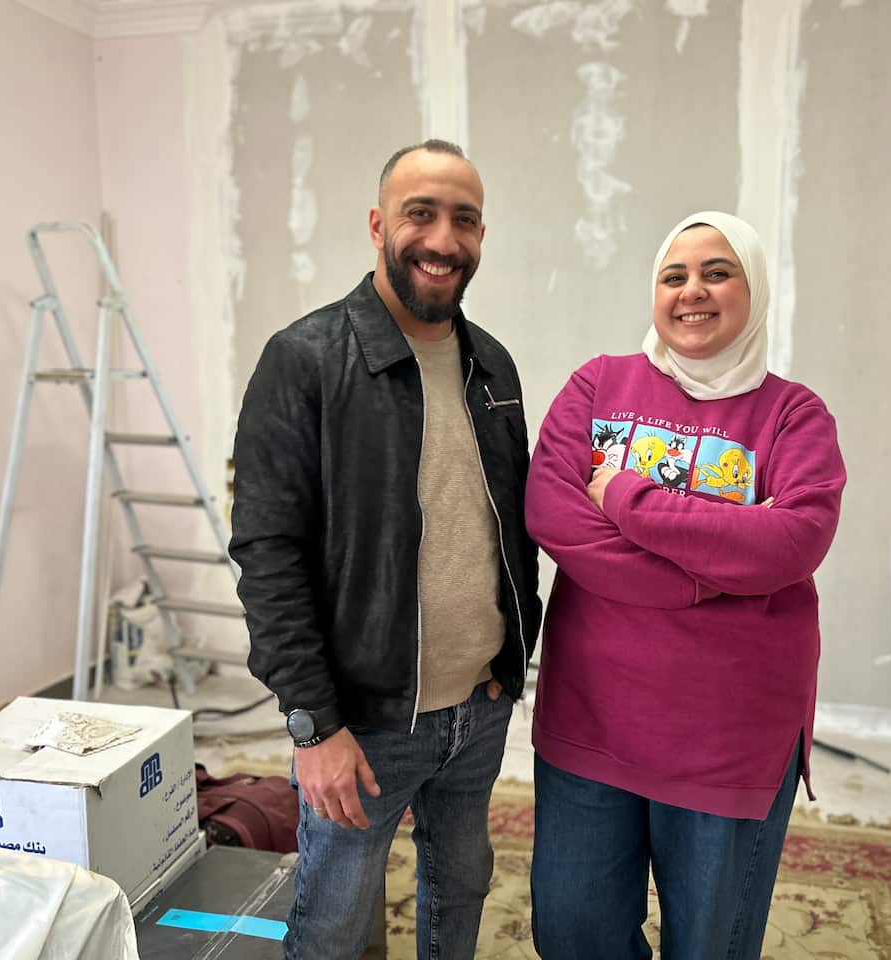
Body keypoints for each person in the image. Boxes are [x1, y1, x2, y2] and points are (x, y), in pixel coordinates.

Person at [229, 139, 542, 960]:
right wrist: (312, 727)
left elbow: (511, 527)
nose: (443, 239)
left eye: (464, 220)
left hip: (478, 705)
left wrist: (511, 664)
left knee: (462, 883)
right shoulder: (303, 361)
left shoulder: (491, 364)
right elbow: (267, 552)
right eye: (421, 214)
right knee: (334, 919)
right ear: (378, 225)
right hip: (363, 724)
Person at [524, 211, 846, 960]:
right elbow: (555, 518)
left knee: (709, 947)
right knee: (573, 935)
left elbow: (795, 540)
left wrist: (628, 499)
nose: (692, 290)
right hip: (590, 722)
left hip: (729, 740)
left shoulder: (795, 415)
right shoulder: (597, 384)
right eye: (675, 275)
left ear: (754, 288)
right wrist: (720, 571)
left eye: (717, 271)